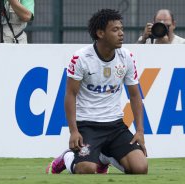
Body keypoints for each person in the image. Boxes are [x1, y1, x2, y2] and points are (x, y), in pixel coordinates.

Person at [46, 9, 148, 175]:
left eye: (121, 29)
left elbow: (135, 95)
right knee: (85, 170)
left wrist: (140, 131)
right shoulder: (81, 58)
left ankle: (102, 158)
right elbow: (70, 95)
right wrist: (74, 131)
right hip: (88, 126)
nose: (121, 33)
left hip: (116, 127)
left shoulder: (126, 57)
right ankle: (67, 158)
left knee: (140, 168)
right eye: (115, 30)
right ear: (100, 33)